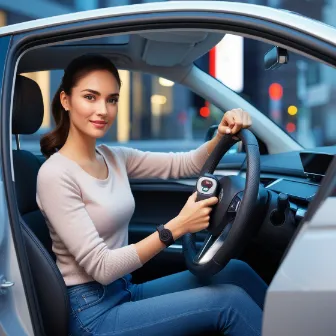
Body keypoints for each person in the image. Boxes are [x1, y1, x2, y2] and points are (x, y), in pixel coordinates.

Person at [36, 54, 267, 336]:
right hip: (91, 314)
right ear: (66, 100)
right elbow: (102, 268)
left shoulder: (113, 156)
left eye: (112, 99)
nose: (103, 110)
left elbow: (187, 164)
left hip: (124, 290)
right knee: (228, 303)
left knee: (237, 272)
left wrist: (222, 134)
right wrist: (177, 227)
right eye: (90, 97)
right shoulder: (55, 174)